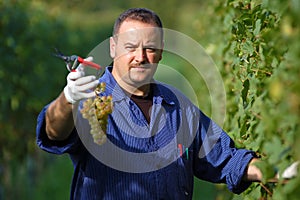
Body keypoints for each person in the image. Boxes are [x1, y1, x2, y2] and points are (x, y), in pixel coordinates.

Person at [36, 8, 267, 200]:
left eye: (150, 48)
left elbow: (226, 158)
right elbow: (53, 132)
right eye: (130, 47)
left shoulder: (178, 106)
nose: (141, 56)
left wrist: (276, 172)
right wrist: (68, 99)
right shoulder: (90, 103)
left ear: (161, 52)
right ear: (113, 48)